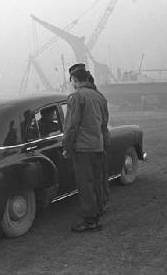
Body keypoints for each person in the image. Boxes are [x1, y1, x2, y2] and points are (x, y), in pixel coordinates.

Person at [63, 67, 110, 232]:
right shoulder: (99, 97)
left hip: (82, 148)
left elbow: (71, 125)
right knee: (97, 181)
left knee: (85, 184)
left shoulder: (77, 97)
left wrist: (67, 146)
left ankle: (90, 220)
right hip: (98, 146)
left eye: (72, 80)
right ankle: (99, 211)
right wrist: (105, 144)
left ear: (74, 79)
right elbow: (104, 124)